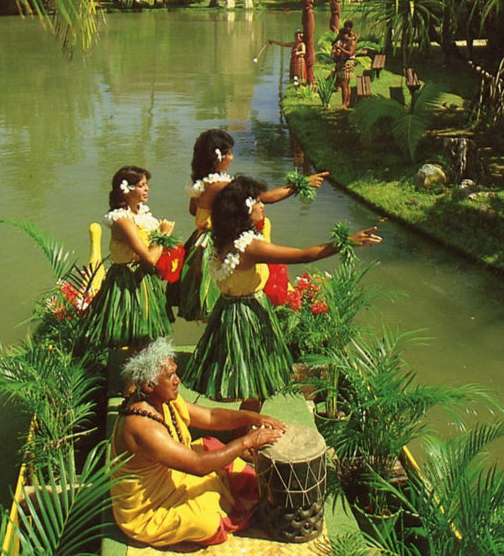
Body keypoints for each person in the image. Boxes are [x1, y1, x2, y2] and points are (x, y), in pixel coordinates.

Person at [182, 176, 381, 408]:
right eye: (257, 202)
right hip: (249, 317)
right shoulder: (250, 247)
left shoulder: (221, 238)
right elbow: (304, 255)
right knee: (257, 382)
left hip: (226, 312)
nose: (262, 205)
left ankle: (243, 426)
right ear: (244, 210)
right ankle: (245, 430)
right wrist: (346, 241)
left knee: (244, 379)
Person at [110, 338, 286, 549]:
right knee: (206, 522)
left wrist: (252, 418)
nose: (177, 380)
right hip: (151, 509)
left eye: (175, 373)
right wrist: (247, 441)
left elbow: (210, 416)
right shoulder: (143, 428)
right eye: (170, 376)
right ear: (149, 386)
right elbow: (198, 466)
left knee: (211, 446)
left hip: (175, 477)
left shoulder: (161, 400)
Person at [176, 129, 329, 321]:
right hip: (222, 241)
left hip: (203, 241)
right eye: (229, 153)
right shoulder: (221, 184)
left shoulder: (200, 182)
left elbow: (194, 210)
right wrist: (300, 184)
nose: (232, 158)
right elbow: (266, 197)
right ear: (217, 157)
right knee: (231, 292)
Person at [82, 166, 174, 348]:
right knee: (133, 333)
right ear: (126, 190)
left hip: (144, 280)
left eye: (147, 185)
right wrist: (164, 235)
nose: (147, 189)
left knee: (147, 334)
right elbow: (149, 258)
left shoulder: (141, 214)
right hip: (128, 282)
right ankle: (131, 374)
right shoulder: (122, 221)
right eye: (141, 185)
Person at [332, 20, 358, 109]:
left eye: (343, 35)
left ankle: (345, 103)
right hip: (343, 62)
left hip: (348, 62)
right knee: (345, 84)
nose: (342, 36)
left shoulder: (352, 40)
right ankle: (347, 103)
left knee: (344, 84)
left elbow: (350, 53)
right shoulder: (344, 40)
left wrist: (340, 49)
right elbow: (334, 42)